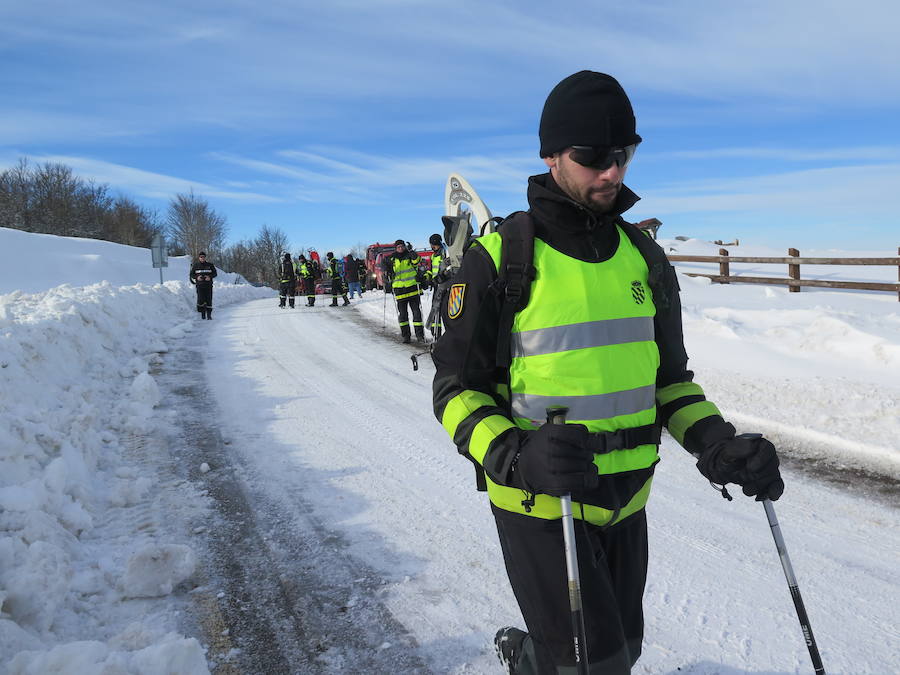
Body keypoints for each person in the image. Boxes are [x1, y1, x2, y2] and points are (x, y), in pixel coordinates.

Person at [431, 70, 784, 675]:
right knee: (595, 666)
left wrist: (716, 443)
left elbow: (670, 382)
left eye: (623, 155)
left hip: (628, 500)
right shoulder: (501, 259)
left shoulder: (644, 258)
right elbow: (454, 392)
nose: (612, 172)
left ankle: (529, 654)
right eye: (593, 157)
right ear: (551, 156)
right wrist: (516, 455)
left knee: (624, 649)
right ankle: (534, 656)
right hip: (541, 503)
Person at [386, 239, 424, 343]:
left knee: (416, 314)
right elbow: (386, 268)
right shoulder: (392, 259)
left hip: (412, 289)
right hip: (400, 291)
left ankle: (420, 335)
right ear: (395, 248)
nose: (400, 248)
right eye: (398, 247)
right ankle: (406, 336)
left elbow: (417, 261)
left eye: (402, 246)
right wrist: (387, 275)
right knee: (403, 315)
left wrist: (412, 252)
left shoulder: (410, 255)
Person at [425, 233, 447, 336]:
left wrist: (442, 276)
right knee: (435, 309)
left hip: (445, 286)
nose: (433, 247)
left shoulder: (445, 252)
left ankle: (447, 334)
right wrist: (428, 278)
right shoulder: (433, 256)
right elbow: (431, 270)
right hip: (436, 286)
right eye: (432, 245)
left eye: (434, 245)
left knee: (444, 311)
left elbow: (449, 268)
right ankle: (436, 334)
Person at [189, 251, 217, 319]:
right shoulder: (195, 265)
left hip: (208, 286)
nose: (202, 258)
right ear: (199, 258)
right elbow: (191, 274)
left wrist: (209, 277)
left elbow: (215, 274)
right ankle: (203, 314)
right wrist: (197, 277)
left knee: (208, 300)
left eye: (203, 257)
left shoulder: (210, 265)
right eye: (201, 257)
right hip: (200, 286)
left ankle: (209, 315)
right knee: (201, 300)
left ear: (205, 257)